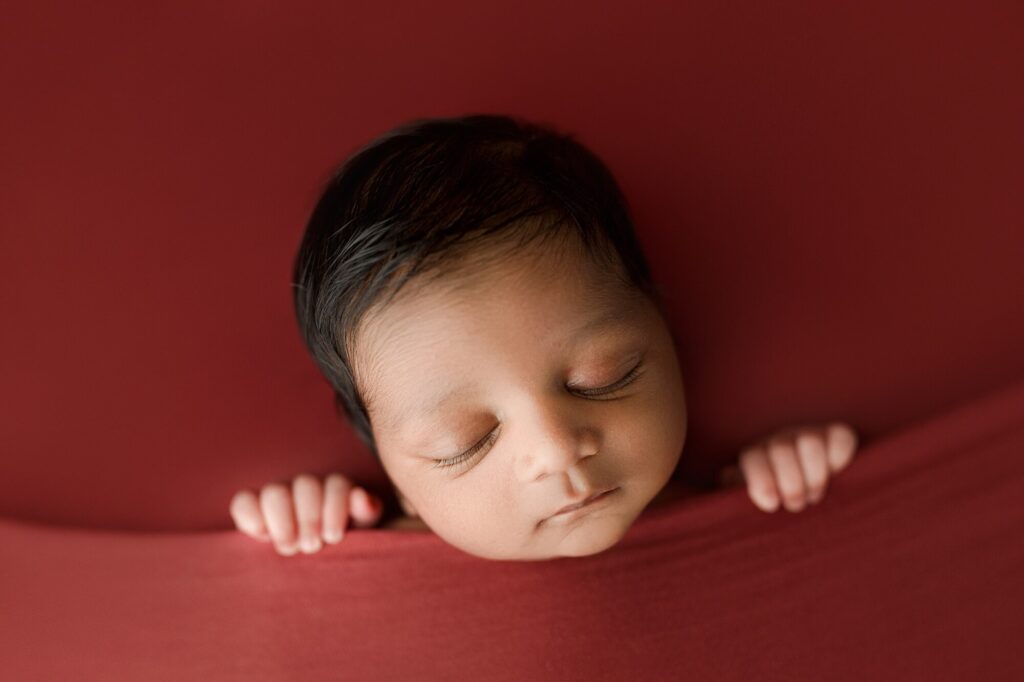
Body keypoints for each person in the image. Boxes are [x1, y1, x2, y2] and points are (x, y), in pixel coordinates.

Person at [229, 113, 858, 561]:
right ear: (398, 484)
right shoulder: (386, 530)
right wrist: (310, 523)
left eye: (603, 376)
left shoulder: (721, 502)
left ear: (665, 332)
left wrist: (780, 477)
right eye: (463, 443)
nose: (556, 449)